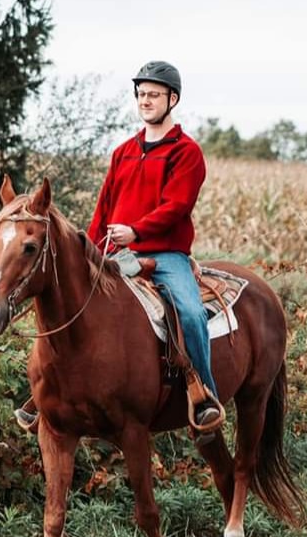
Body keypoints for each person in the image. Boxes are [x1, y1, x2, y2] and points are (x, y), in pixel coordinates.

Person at [15, 60, 223, 440]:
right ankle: (41, 396)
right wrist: (88, 252)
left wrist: (137, 231)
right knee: (68, 303)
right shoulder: (123, 151)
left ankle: (203, 395)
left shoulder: (186, 152)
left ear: (172, 99)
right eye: (141, 94)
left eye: (154, 95)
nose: (146, 101)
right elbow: (104, 207)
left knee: (191, 313)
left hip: (164, 255)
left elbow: (177, 206)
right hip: (114, 254)